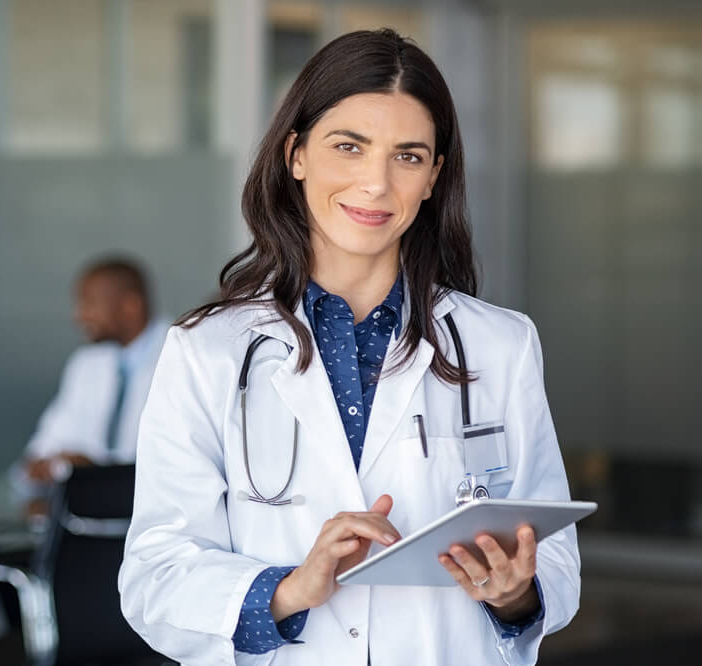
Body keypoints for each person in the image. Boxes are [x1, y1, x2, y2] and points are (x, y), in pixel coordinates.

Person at [119, 30, 579, 666]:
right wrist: (287, 590)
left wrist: (515, 593)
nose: (376, 183)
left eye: (408, 156)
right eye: (349, 147)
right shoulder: (208, 351)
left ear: (433, 177)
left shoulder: (500, 345)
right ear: (296, 154)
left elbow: (553, 555)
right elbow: (155, 574)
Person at [19, 257, 169, 482]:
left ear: (130, 306)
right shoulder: (86, 363)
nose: (79, 316)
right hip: (86, 510)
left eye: (90, 304)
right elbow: (45, 446)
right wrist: (46, 464)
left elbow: (172, 463)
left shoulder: (181, 357)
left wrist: (97, 471)